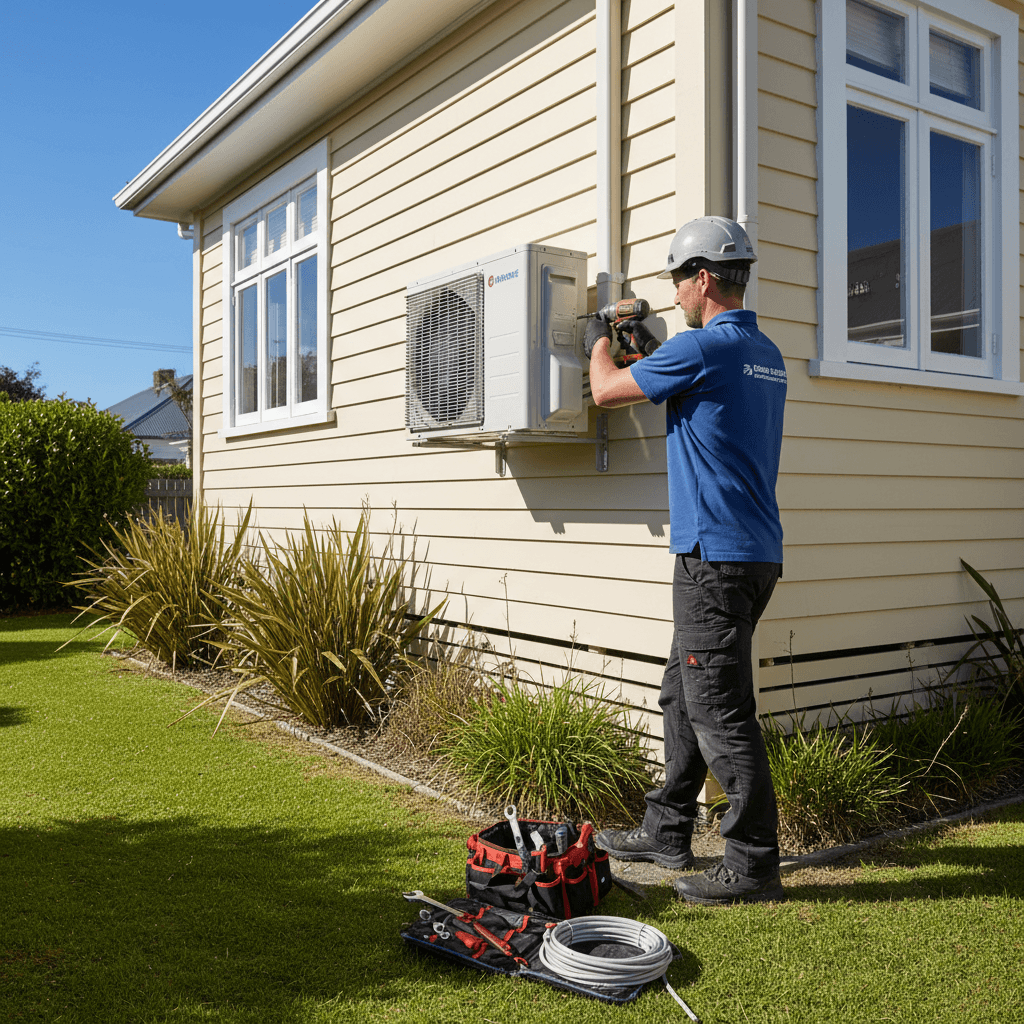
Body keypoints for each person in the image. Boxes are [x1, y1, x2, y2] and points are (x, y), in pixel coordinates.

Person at [586, 216, 788, 905]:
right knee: (685, 692)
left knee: (720, 712)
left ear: (703, 278)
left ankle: (753, 862)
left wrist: (598, 339)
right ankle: (667, 828)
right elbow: (692, 384)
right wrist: (646, 347)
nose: (673, 294)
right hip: (754, 553)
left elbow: (608, 391)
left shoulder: (702, 349)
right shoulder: (761, 350)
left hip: (712, 558)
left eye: (678, 280)